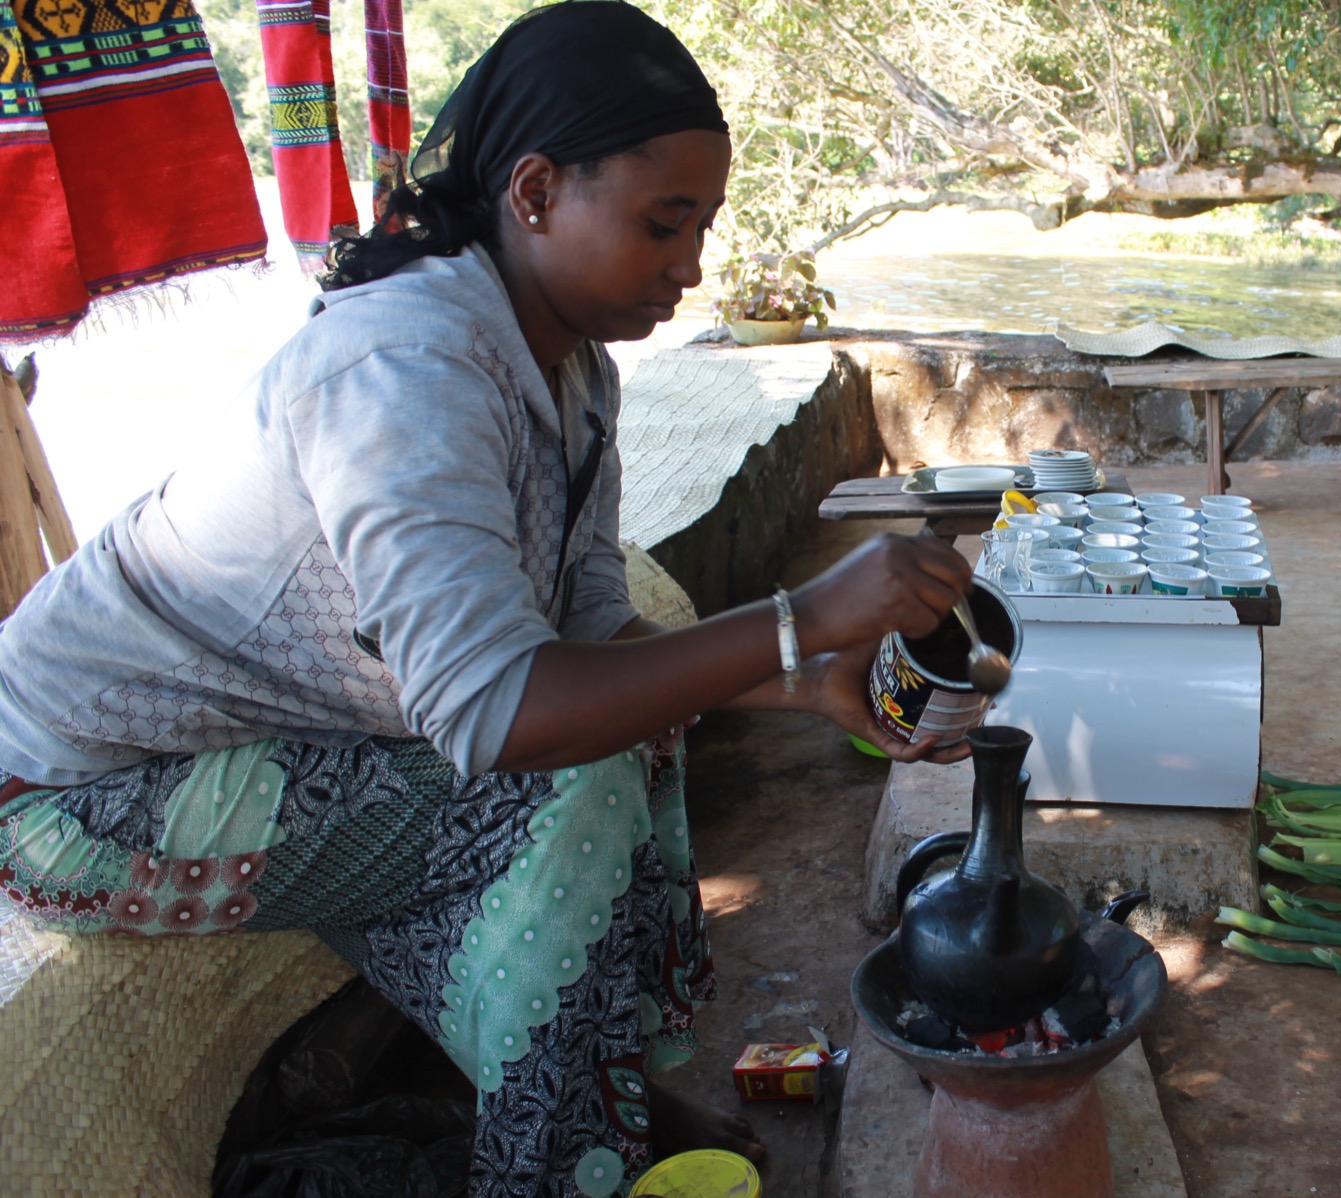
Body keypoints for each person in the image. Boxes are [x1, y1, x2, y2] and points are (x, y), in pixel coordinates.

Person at [0, 4, 973, 1195]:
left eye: (704, 227)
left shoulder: (573, 370)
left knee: (631, 730)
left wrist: (804, 683)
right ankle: (560, 1157)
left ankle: (583, 1089)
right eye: (665, 224)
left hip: (260, 735)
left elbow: (596, 633)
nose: (693, 267)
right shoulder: (403, 368)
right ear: (534, 193)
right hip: (72, 791)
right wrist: (802, 614)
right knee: (558, 791)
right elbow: (496, 715)